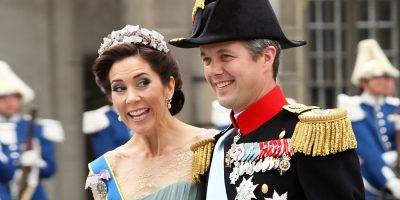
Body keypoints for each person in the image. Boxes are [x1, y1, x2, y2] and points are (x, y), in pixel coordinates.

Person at [169, 0, 365, 199]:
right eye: (207, 60)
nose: (214, 71)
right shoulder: (216, 148)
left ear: (266, 57)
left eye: (226, 56)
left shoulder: (312, 138)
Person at [84, 25, 218, 200]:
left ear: (169, 87)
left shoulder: (211, 148)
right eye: (119, 88)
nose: (131, 98)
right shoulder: (103, 171)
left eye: (143, 82)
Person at [338, 39, 400, 199]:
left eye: (387, 77)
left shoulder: (394, 106)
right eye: (377, 77)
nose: (384, 81)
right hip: (367, 186)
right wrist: (392, 182)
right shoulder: (354, 109)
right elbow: (369, 152)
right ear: (363, 81)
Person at [0, 60, 64, 200]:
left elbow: (50, 169)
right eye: (3, 97)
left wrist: (36, 164)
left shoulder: (36, 127)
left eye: (14, 97)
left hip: (32, 194)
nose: (9, 102)